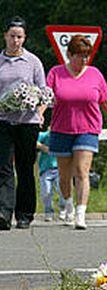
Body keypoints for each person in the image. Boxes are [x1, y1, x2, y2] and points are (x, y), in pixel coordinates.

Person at [47, 35, 107, 230]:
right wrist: (39, 115)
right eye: (80, 56)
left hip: (88, 129)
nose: (84, 60)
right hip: (61, 129)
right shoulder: (56, 73)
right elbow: (46, 97)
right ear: (69, 54)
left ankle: (81, 214)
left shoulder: (95, 74)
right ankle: (68, 206)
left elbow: (106, 101)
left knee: (82, 172)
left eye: (87, 56)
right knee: (64, 175)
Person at [0, 16, 47, 230]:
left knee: (25, 167)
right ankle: (3, 212)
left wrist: (39, 111)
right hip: (3, 121)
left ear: (24, 38)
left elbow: (44, 92)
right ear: (5, 36)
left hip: (27, 122)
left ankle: (25, 213)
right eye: (12, 36)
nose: (15, 41)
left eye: (19, 37)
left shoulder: (33, 62)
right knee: (3, 167)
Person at [37, 127, 66, 222]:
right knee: (46, 192)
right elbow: (34, 141)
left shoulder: (62, 135)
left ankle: (63, 208)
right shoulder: (45, 135)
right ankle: (48, 211)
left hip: (59, 168)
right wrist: (43, 148)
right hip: (45, 169)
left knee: (62, 189)